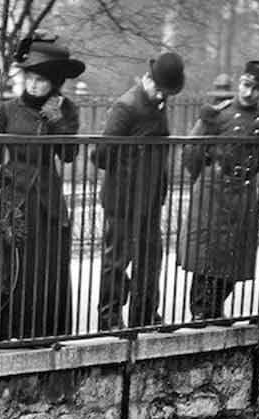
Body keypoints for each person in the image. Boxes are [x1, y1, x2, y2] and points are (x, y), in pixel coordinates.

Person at [0, 35, 85, 340]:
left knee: (43, 268)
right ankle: (2, 332)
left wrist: (57, 123)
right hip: (11, 196)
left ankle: (42, 332)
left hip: (46, 202)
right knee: (8, 266)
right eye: (30, 78)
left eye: (41, 80)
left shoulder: (66, 109)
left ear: (54, 83)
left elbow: (69, 156)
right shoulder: (6, 109)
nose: (33, 85)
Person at [177, 59, 259, 321]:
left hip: (242, 191)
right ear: (239, 82)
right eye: (246, 85)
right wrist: (206, 179)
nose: (248, 93)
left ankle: (216, 309)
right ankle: (201, 313)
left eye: (256, 89)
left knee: (234, 257)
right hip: (213, 190)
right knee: (207, 256)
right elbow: (191, 151)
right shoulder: (218, 114)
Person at [92, 51, 184, 330]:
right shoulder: (126, 106)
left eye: (166, 92)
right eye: (158, 89)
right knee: (117, 262)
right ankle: (109, 321)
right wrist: (130, 163)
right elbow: (100, 155)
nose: (161, 96)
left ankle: (145, 316)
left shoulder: (160, 105)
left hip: (150, 200)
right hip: (123, 200)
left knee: (150, 260)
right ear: (148, 78)